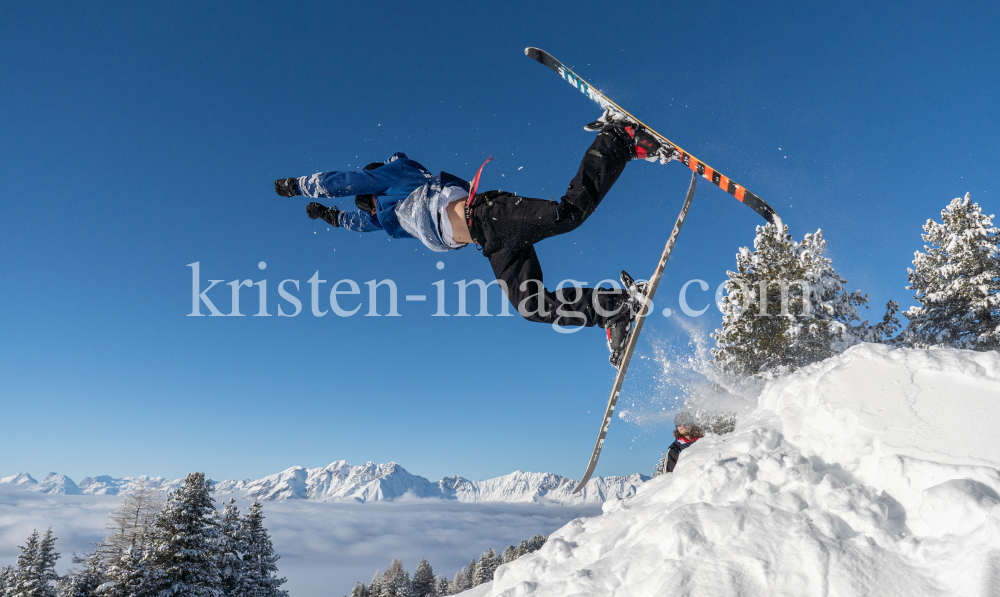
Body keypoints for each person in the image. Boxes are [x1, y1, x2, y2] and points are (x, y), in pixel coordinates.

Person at [273, 112, 677, 365]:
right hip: (493, 243)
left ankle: (617, 138)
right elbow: (361, 223)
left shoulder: (395, 177)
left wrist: (300, 186)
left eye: (367, 202)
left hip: (488, 213)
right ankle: (616, 309)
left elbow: (346, 181)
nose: (367, 207)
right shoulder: (389, 217)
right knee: (532, 306)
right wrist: (330, 217)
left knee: (566, 216)